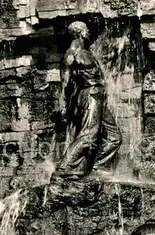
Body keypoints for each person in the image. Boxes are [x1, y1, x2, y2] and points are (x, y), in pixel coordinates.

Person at [52, 21, 122, 180]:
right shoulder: (70, 55)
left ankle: (98, 168)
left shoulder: (87, 52)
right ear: (80, 32)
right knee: (89, 135)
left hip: (98, 96)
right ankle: (64, 167)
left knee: (114, 137)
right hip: (89, 95)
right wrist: (63, 107)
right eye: (87, 30)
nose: (89, 32)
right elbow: (64, 83)